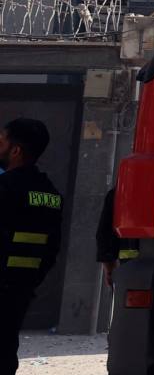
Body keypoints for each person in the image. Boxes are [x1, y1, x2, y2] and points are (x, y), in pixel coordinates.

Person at [0, 118, 63, 375]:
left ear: (15, 150)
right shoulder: (50, 194)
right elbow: (51, 249)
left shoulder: (5, 188)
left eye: (1, 141)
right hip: (20, 289)